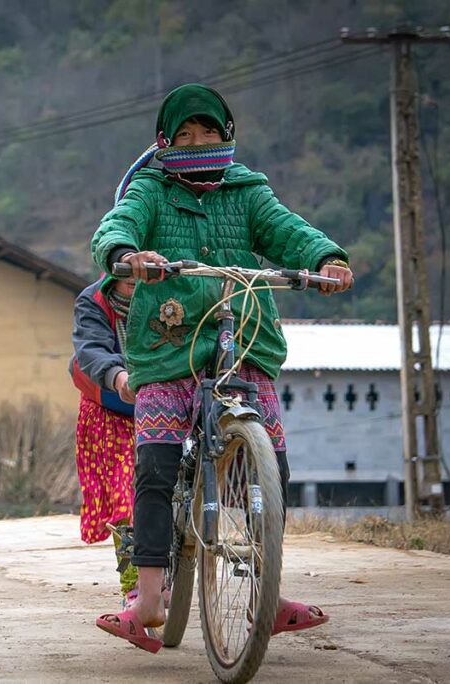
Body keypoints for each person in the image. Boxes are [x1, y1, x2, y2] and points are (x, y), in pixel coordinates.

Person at [90, 84, 354, 652]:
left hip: (246, 339)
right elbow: (117, 226)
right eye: (184, 135)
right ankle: (148, 599)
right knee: (156, 468)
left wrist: (326, 258)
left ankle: (267, 595)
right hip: (167, 346)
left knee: (271, 467)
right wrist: (127, 256)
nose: (197, 143)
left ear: (227, 135)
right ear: (164, 143)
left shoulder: (248, 191)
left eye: (208, 133)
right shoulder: (150, 189)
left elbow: (288, 230)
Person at [70, 273, 139, 604]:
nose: (135, 277)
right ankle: (133, 585)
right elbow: (91, 352)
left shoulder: (171, 294)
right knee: (124, 495)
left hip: (160, 404)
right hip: (107, 409)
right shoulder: (94, 301)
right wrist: (119, 377)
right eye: (126, 268)